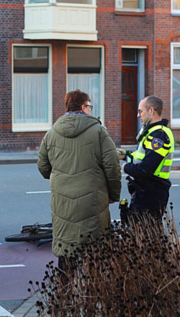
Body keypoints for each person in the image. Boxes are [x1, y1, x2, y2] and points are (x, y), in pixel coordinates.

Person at [38, 90, 121, 275]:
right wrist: (113, 194)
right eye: (90, 106)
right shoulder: (99, 132)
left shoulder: (51, 133)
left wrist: (60, 178)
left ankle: (65, 295)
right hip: (93, 200)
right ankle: (93, 294)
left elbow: (43, 167)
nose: (91, 109)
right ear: (83, 107)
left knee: (65, 249)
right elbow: (112, 166)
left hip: (62, 202)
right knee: (95, 249)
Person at [120, 96, 174, 225]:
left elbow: (146, 168)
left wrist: (125, 167)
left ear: (151, 111)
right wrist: (124, 155)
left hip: (152, 191)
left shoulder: (159, 135)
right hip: (147, 190)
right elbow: (141, 158)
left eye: (141, 111)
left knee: (145, 233)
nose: (138, 115)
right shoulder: (152, 132)